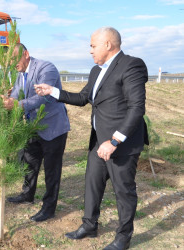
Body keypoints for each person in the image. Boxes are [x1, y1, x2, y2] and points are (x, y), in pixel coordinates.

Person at [34, 27, 148, 250]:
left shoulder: (131, 65)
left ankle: (124, 237)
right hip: (99, 141)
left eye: (92, 45)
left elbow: (136, 108)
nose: (90, 50)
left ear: (108, 44)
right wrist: (52, 91)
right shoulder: (97, 71)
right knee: (92, 183)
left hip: (121, 144)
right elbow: (83, 98)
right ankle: (89, 225)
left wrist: (114, 141)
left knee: (123, 190)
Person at [3, 43, 70, 222]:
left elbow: (44, 96)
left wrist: (17, 105)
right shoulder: (20, 75)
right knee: (30, 163)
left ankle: (49, 208)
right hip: (33, 127)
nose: (12, 64)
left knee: (51, 170)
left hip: (53, 128)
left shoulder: (46, 68)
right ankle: (27, 194)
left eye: (14, 59)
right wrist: (7, 101)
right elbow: (17, 95)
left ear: (26, 54)